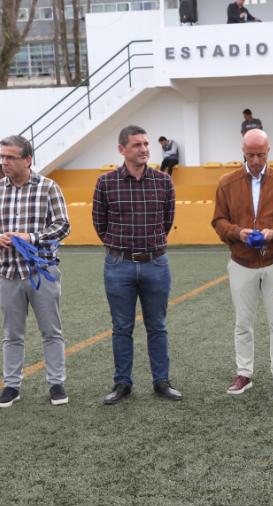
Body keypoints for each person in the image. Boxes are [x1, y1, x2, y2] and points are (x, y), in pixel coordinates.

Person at [0, 135, 73, 409]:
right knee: (12, 334)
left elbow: (63, 225)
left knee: (51, 331)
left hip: (41, 272)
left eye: (10, 157)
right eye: (2, 157)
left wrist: (31, 238)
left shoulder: (48, 187)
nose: (4, 162)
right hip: (7, 273)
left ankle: (56, 383)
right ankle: (11, 386)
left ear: (28, 159)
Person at [93, 125, 183, 405]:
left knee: (157, 326)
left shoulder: (163, 182)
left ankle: (161, 381)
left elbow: (167, 221)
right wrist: (122, 249)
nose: (144, 149)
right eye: (137, 145)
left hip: (156, 263)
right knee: (121, 327)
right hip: (119, 265)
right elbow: (100, 224)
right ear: (122, 149)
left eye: (146, 144)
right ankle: (122, 383)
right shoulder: (106, 183)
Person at [211, 129, 273, 395]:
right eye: (250, 155)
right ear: (243, 151)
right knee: (243, 322)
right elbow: (218, 220)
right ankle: (244, 373)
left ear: (268, 151)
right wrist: (237, 233)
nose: (255, 160)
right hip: (241, 262)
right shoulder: (226, 183)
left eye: (260, 155)